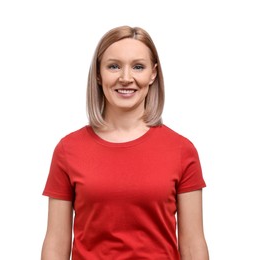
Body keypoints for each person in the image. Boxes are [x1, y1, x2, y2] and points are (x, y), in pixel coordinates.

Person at [41, 25, 209, 260]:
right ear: (99, 74)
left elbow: (192, 245)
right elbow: (56, 244)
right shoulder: (68, 150)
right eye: (114, 66)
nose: (126, 78)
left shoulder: (181, 150)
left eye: (138, 67)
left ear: (153, 74)